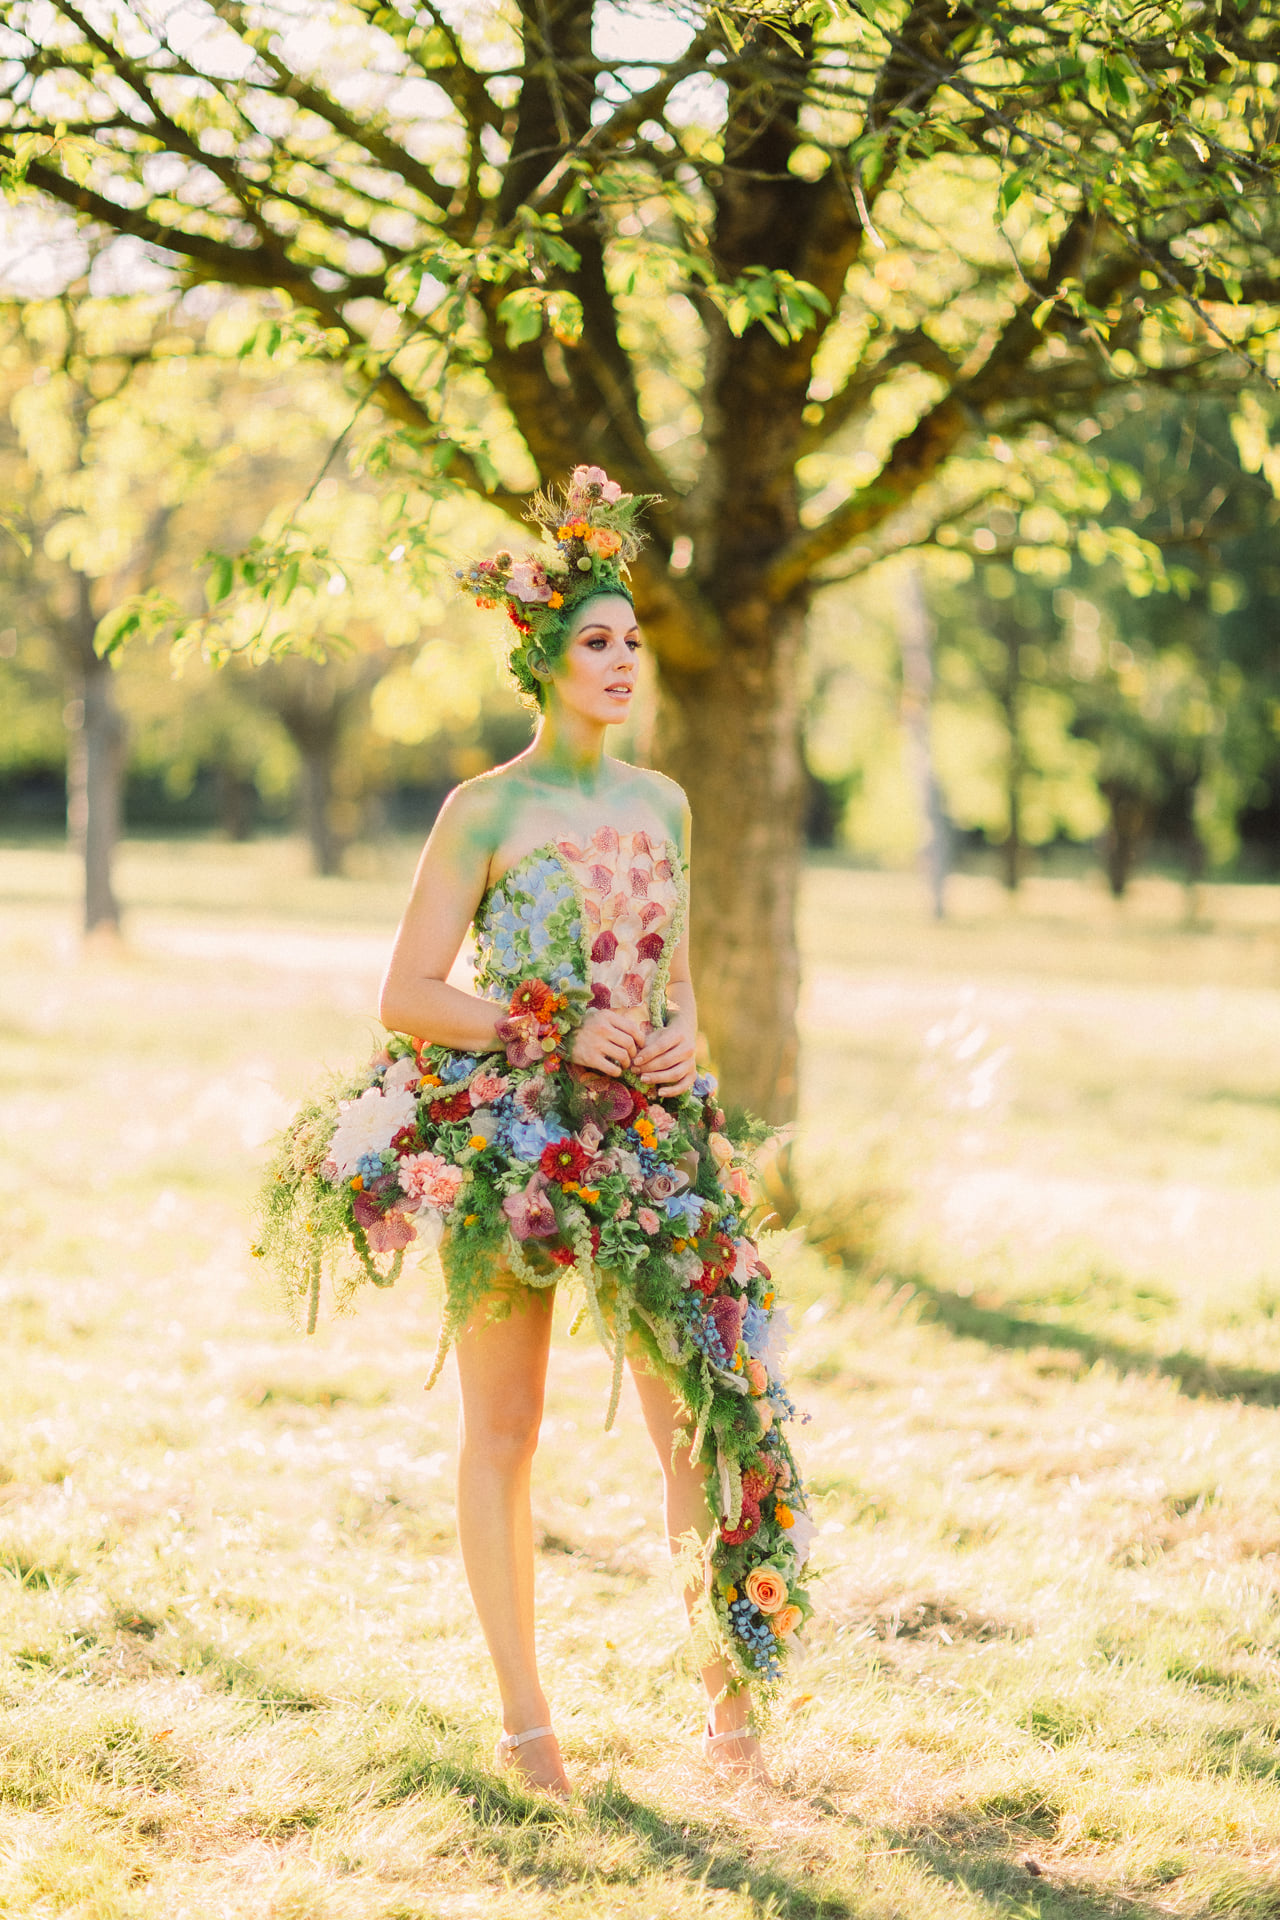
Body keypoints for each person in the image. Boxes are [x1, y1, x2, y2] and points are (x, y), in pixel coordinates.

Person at [259, 468, 814, 1798]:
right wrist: (546, 1032)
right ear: (545, 661)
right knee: (507, 1432)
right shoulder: (485, 811)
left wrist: (683, 1041)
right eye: (597, 642)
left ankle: (730, 1716)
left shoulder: (665, 805)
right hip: (517, 1137)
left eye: (631, 641)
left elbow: (667, 977)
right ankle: (528, 1725)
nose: (624, 663)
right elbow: (406, 993)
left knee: (706, 1421)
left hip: (648, 1139)